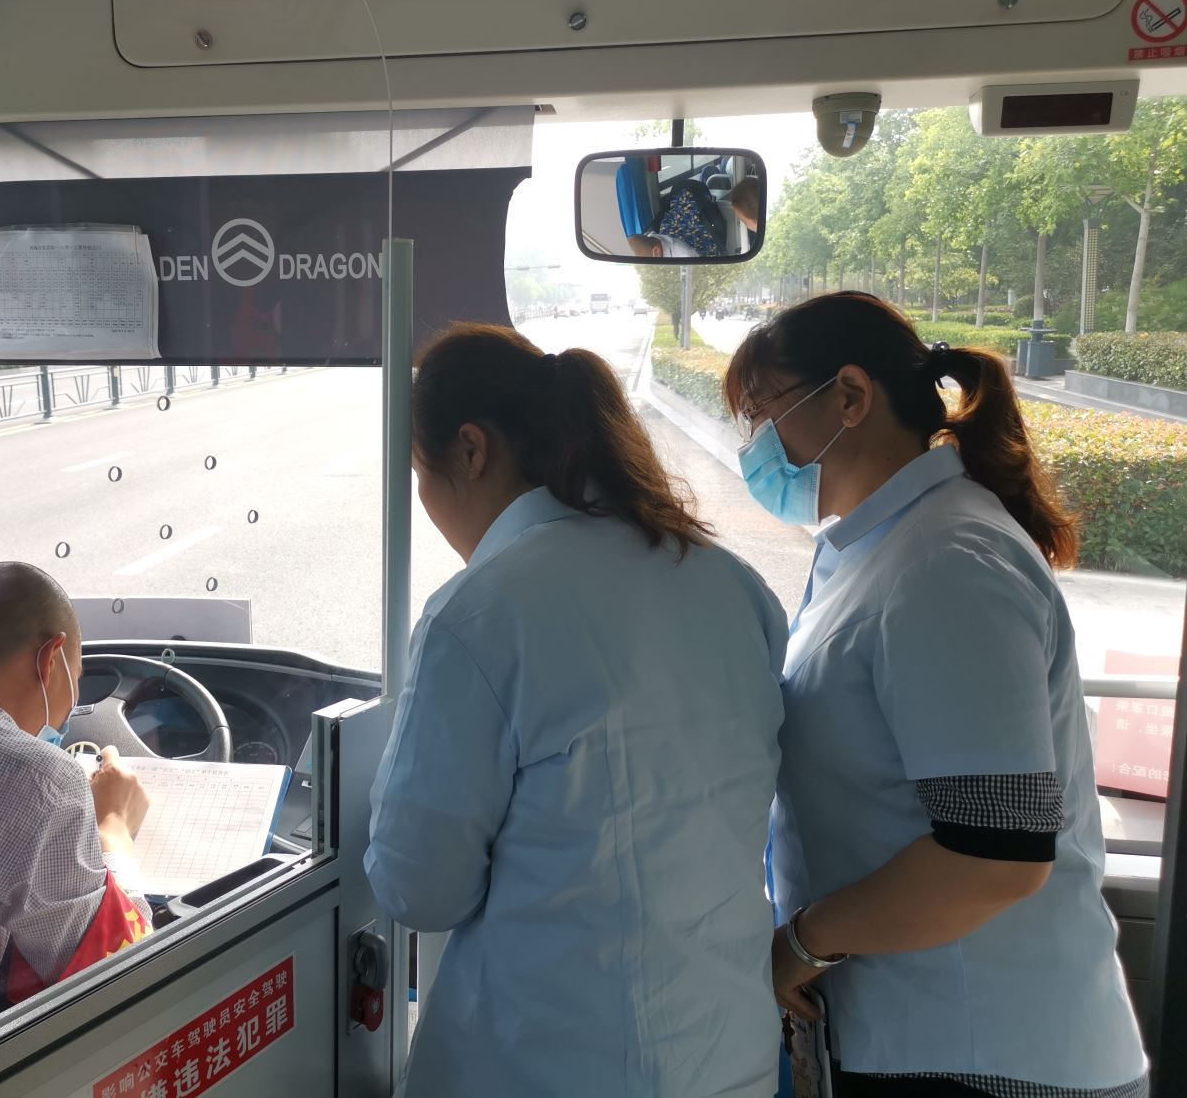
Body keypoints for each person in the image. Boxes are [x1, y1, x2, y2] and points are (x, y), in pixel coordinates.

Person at [724, 293, 1147, 1098]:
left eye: (763, 413)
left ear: (851, 396)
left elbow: (994, 857)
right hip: (922, 1030)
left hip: (987, 1051)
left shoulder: (947, 563)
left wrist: (802, 944)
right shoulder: (877, 549)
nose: (755, 447)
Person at [366, 324, 788, 1098]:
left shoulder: (480, 614)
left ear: (471, 449)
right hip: (729, 1056)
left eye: (422, 473)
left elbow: (419, 888)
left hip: (548, 1066)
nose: (424, 502)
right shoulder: (731, 584)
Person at [0, 561, 153, 1040]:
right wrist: (113, 827)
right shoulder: (35, 777)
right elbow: (119, 972)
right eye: (76, 677)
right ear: (51, 659)